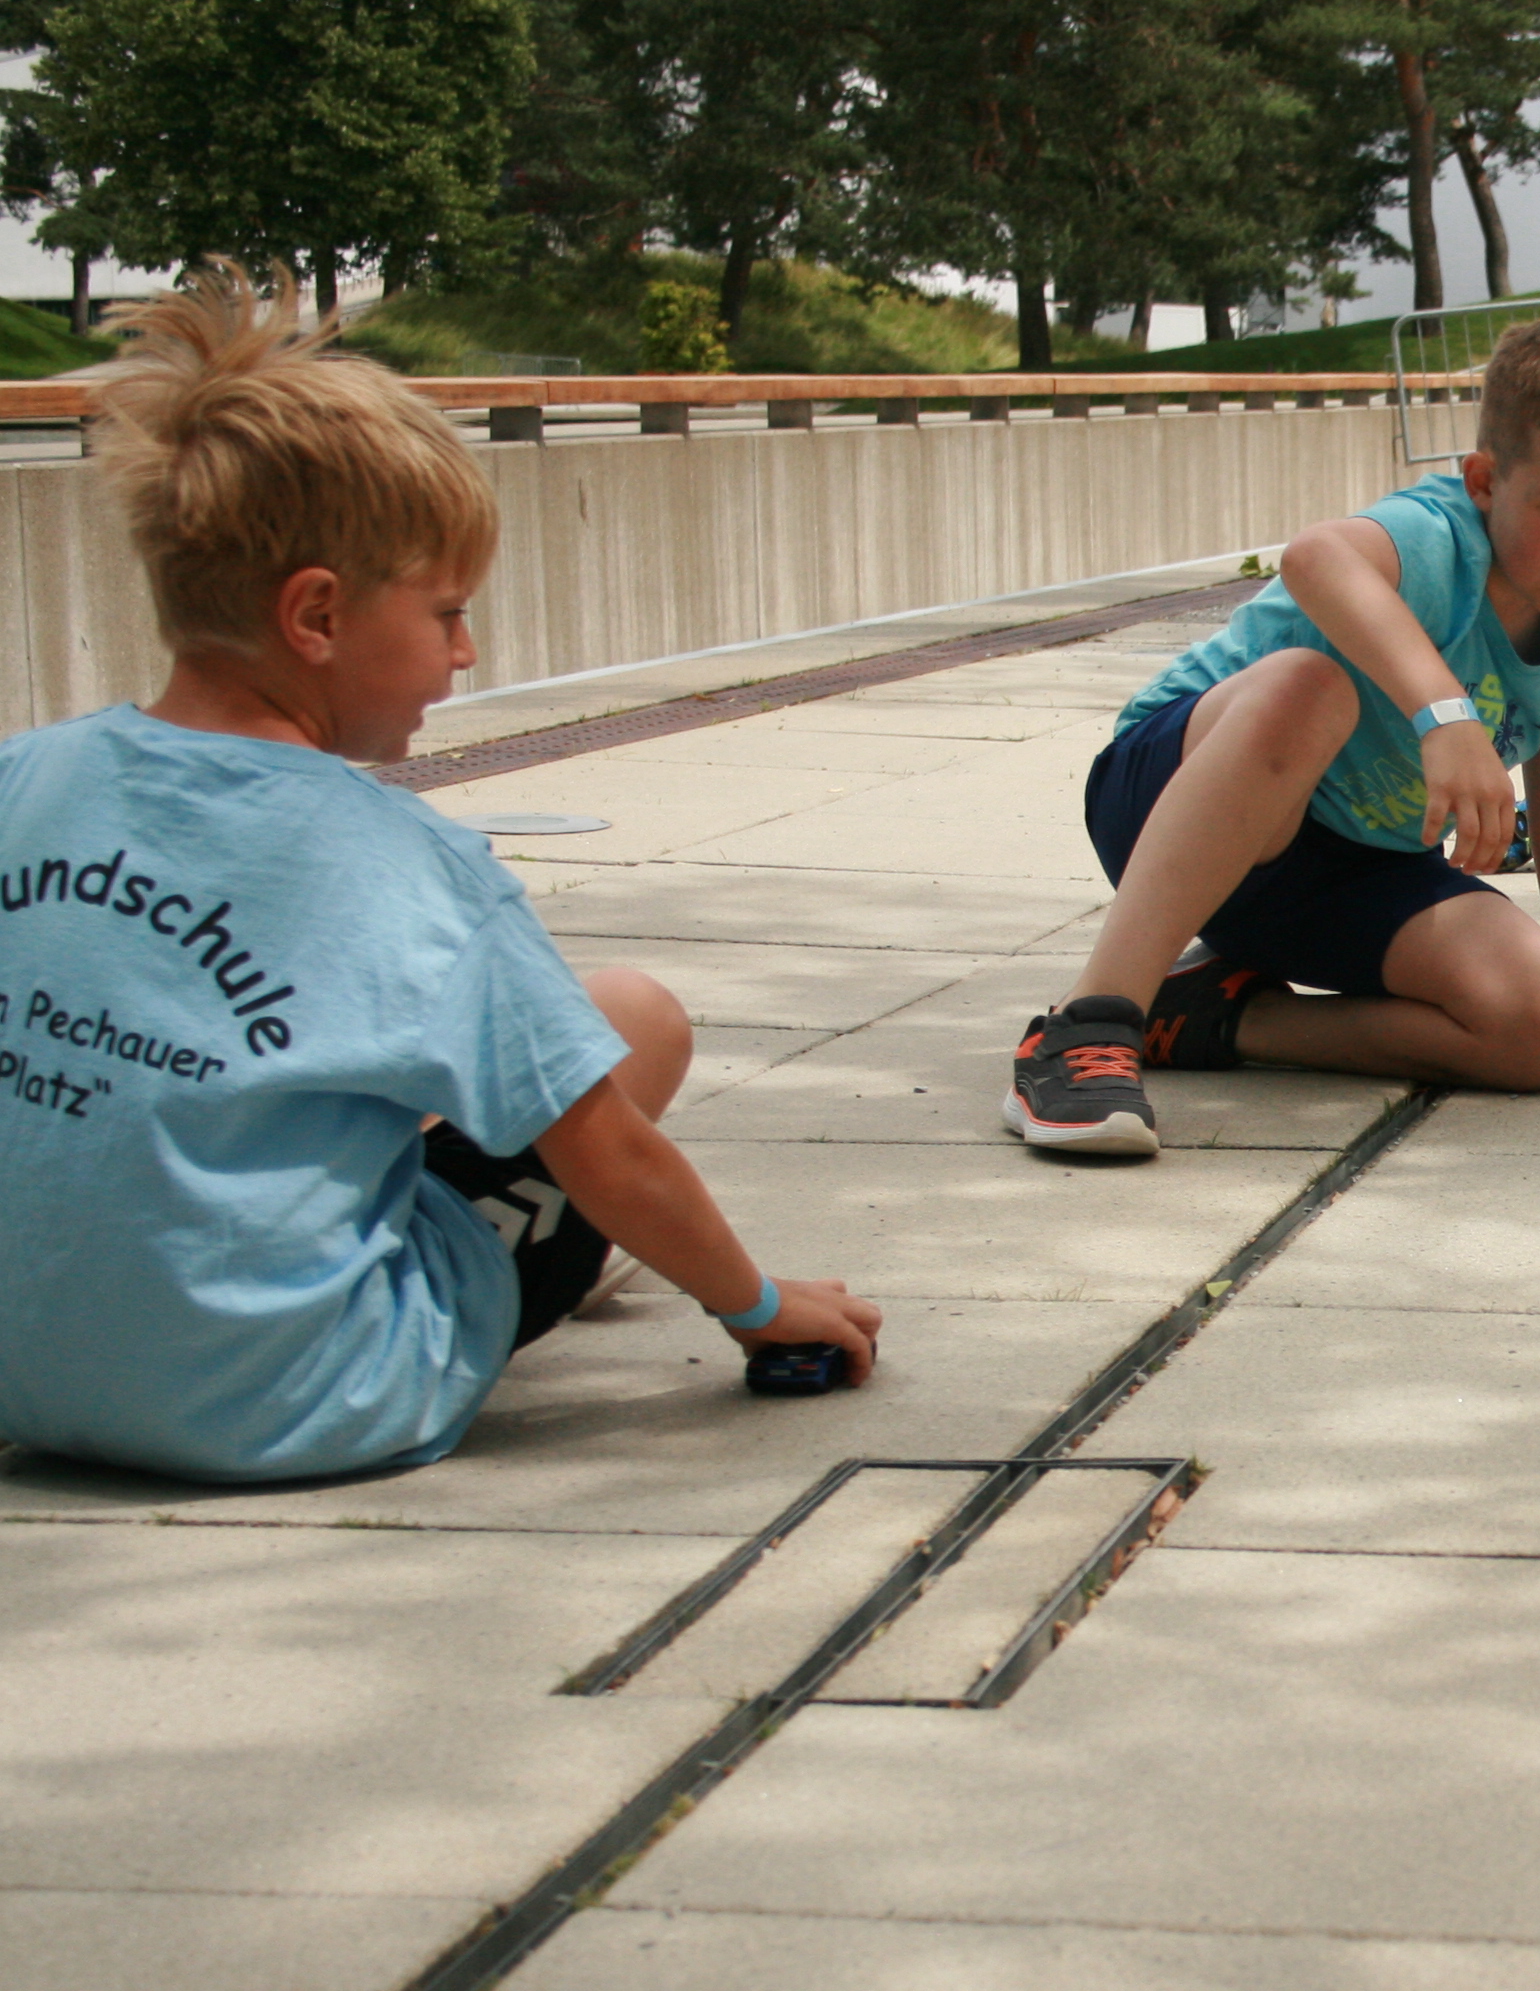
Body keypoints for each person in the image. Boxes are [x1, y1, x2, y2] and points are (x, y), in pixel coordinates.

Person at [0, 267, 880, 1484]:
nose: (465, 654)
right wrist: (760, 1306)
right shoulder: (408, 866)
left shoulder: (23, 780)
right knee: (632, 1025)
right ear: (316, 617)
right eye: (447, 613)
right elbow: (612, 1157)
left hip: (20, 1377)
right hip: (291, 1399)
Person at [1009, 315, 1540, 1157]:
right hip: (1176, 801)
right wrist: (1445, 715)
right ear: (1484, 481)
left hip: (1352, 871)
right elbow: (1314, 556)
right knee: (1308, 686)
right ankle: (1085, 1026)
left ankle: (1220, 1019)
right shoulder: (1437, 537)